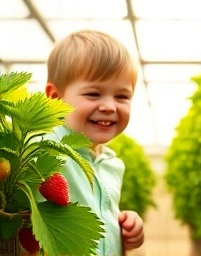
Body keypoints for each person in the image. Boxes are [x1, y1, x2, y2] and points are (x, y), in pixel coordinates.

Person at [37, 30, 144, 255]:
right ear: (55, 97)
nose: (109, 106)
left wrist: (124, 226)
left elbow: (100, 213)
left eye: (122, 96)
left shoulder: (112, 164)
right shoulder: (43, 147)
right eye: (94, 94)